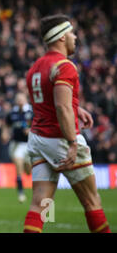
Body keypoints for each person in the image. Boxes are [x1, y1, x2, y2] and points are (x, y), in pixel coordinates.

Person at [23, 14, 111, 233]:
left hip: (38, 139)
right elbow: (61, 108)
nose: (75, 37)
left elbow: (48, 99)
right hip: (60, 139)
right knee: (92, 201)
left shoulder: (36, 67)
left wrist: (75, 108)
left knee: (41, 204)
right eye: (71, 33)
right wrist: (73, 141)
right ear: (61, 37)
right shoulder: (65, 66)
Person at [4, 92, 32, 203]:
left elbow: (39, 124)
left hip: (30, 145)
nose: (19, 100)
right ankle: (21, 193)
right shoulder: (12, 112)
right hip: (17, 144)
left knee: (28, 171)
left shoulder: (31, 111)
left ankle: (27, 168)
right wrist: (4, 133)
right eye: (18, 98)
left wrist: (31, 130)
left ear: (26, 99)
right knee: (18, 166)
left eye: (21, 98)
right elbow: (6, 124)